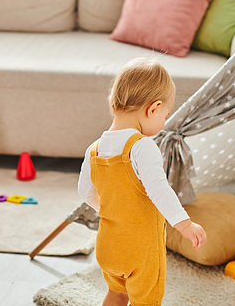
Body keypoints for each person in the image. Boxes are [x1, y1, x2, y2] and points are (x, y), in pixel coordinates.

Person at [78, 57, 207, 306]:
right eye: (165, 115)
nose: (164, 122)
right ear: (153, 108)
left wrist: (114, 208)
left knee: (117, 293)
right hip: (141, 250)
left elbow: (85, 191)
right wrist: (185, 225)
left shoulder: (93, 149)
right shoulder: (142, 146)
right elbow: (159, 190)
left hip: (107, 245)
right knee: (145, 300)